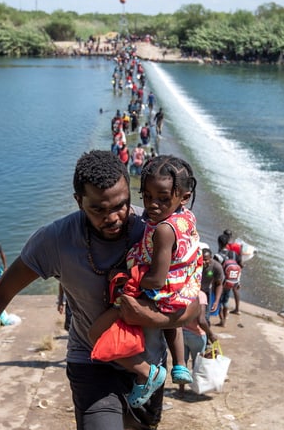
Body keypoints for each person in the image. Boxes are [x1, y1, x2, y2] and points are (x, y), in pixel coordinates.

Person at [0, 151, 198, 430]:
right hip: (91, 363)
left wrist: (153, 319)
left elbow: (193, 303)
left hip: (149, 368)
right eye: (98, 209)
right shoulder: (55, 240)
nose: (114, 218)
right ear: (78, 201)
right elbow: (2, 292)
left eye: (121, 205)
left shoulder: (155, 231)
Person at [89, 154, 202, 408]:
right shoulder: (185, 217)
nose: (152, 205)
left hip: (159, 293)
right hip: (182, 291)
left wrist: (131, 285)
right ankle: (180, 365)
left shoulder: (163, 230)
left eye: (162, 199)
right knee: (170, 325)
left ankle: (147, 372)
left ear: (183, 196)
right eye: (147, 196)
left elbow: (156, 279)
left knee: (95, 333)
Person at [178, 288, 217, 397]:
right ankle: (196, 389)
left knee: (182, 363)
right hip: (197, 336)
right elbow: (201, 320)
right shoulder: (201, 295)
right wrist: (211, 334)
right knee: (198, 364)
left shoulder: (182, 291)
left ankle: (181, 390)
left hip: (181, 333)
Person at [199, 247, 224, 324]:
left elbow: (219, 285)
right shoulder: (195, 263)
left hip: (206, 291)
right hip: (193, 289)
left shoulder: (216, 267)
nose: (203, 262)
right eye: (202, 259)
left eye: (206, 260)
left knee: (205, 317)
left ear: (211, 258)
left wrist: (216, 301)